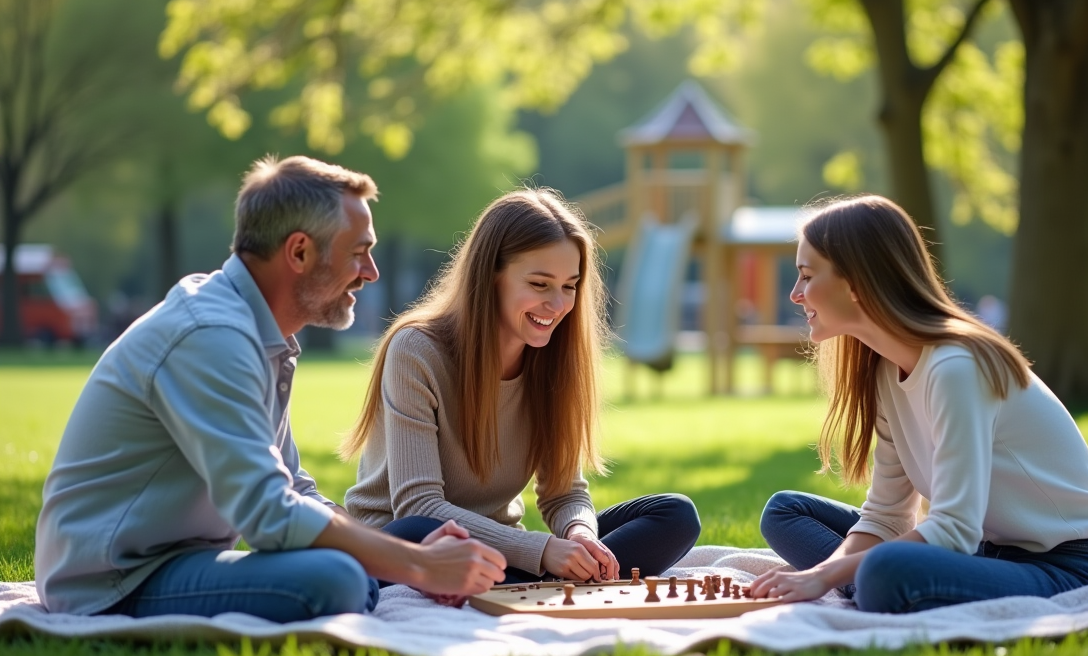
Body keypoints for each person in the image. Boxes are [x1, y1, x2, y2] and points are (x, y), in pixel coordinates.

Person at [35, 156, 506, 622]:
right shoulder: (210, 336)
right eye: (358, 251)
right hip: (113, 578)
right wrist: (419, 565)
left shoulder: (259, 335)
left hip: (177, 558)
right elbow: (268, 514)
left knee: (417, 531)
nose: (371, 272)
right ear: (299, 252)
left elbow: (294, 489)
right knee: (337, 579)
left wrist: (405, 549)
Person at [750, 195, 1088, 613]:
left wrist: (824, 575)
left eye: (806, 276)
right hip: (987, 552)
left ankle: (887, 586)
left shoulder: (956, 367)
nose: (795, 294)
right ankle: (892, 587)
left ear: (856, 283)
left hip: (1075, 564)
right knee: (786, 512)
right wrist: (821, 574)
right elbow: (885, 517)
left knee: (884, 572)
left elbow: (954, 529)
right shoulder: (885, 371)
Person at [342, 188, 701, 583]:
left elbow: (564, 492)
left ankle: (543, 576)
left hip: (503, 548)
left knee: (676, 515)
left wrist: (580, 535)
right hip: (406, 544)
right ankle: (540, 576)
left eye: (570, 285)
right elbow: (418, 507)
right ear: (491, 275)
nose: (559, 304)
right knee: (416, 532)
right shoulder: (416, 350)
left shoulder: (551, 359)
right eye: (540, 284)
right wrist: (542, 551)